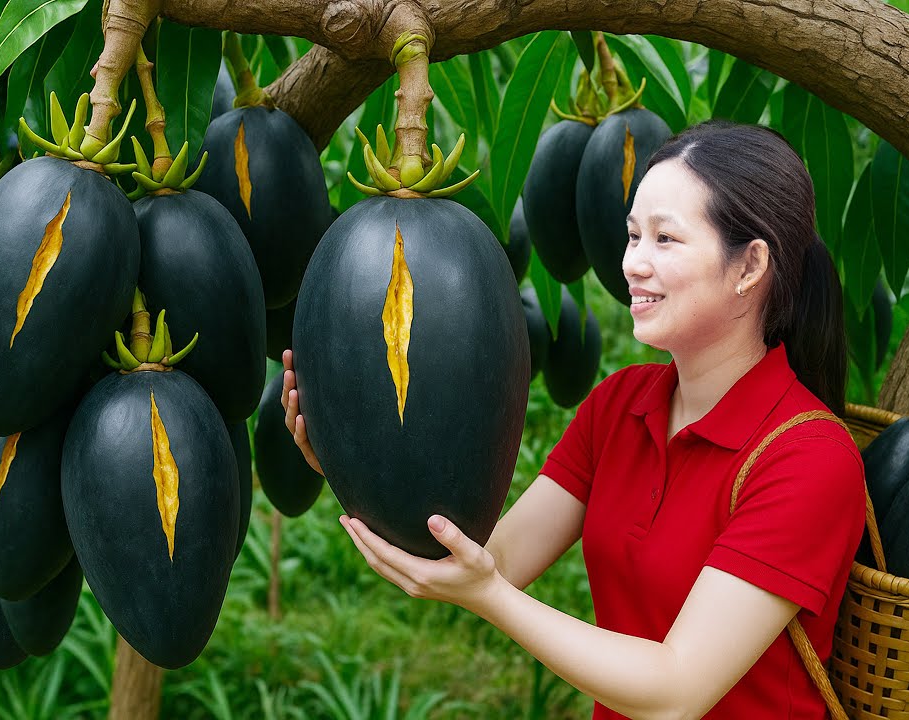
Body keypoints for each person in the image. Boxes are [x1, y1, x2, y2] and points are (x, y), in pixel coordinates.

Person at [279, 120, 865, 719]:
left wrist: (491, 597)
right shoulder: (620, 406)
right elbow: (480, 558)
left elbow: (675, 692)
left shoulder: (810, 458)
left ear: (749, 267)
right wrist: (361, 458)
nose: (633, 263)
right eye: (633, 235)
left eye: (666, 240)